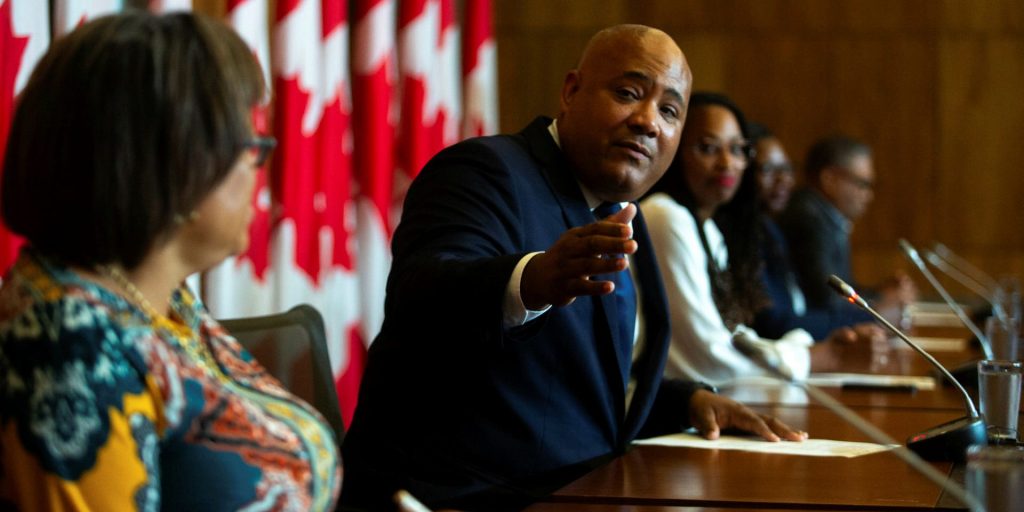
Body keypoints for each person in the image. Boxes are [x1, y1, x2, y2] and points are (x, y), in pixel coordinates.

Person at [341, 26, 806, 511]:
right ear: (570, 91)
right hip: (457, 496)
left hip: (577, 489)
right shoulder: (483, 171)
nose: (649, 122)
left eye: (669, 111)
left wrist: (685, 402)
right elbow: (424, 297)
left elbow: (571, 386)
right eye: (629, 94)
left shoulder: (618, 210)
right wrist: (535, 279)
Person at [0, 12, 340, 511]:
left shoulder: (161, 298)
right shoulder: (68, 342)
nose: (257, 170)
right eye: (252, 148)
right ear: (174, 166)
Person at [640, 93, 877, 385]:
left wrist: (807, 350)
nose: (727, 163)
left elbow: (736, 336)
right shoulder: (665, 215)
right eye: (708, 148)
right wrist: (816, 357)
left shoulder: (709, 229)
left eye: (738, 150)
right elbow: (709, 357)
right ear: (675, 150)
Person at [748, 123, 885, 345]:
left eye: (788, 169)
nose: (785, 181)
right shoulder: (805, 218)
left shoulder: (769, 228)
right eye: (768, 170)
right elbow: (778, 322)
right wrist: (873, 313)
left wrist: (877, 300)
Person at [777, 135, 915, 320]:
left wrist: (880, 292)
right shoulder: (807, 219)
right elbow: (828, 300)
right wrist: (878, 309)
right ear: (829, 179)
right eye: (862, 184)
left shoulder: (828, 216)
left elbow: (844, 287)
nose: (868, 195)